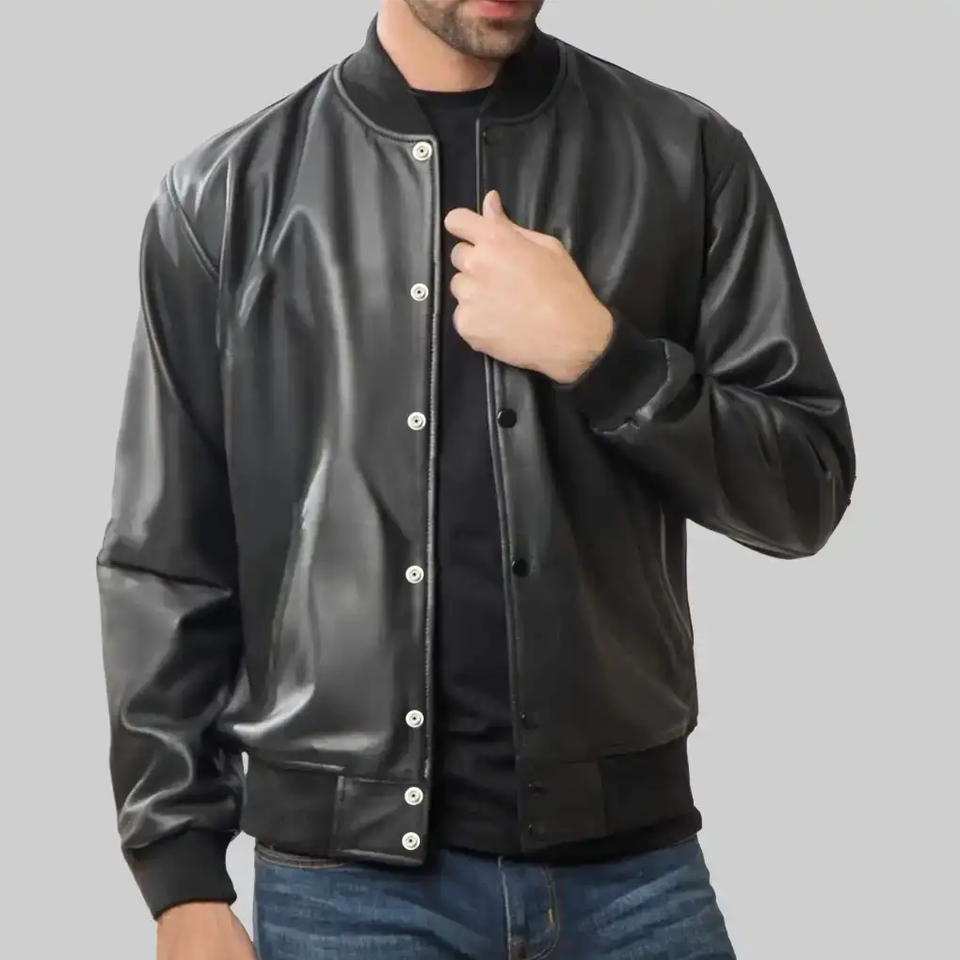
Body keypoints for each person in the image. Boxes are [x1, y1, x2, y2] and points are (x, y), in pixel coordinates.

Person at [96, 0, 856, 957]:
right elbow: (165, 560)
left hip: (634, 876)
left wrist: (607, 359)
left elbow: (804, 487)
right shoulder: (224, 194)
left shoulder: (684, 153)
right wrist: (181, 880)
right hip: (347, 895)